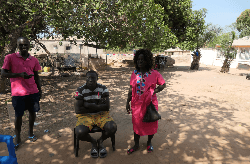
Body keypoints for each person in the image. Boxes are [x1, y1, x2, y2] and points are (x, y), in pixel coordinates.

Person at [1, 37, 42, 150]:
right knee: (19, 116)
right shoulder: (10, 57)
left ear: (29, 45)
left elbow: (37, 76)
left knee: (33, 113)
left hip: (33, 91)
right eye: (21, 45)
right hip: (18, 93)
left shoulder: (33, 59)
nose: (23, 47)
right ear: (17, 46)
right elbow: (3, 73)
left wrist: (40, 90)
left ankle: (30, 133)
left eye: (25, 44)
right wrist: (19, 75)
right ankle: (18, 137)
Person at [126, 49, 166, 154]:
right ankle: (136, 145)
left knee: (151, 124)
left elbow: (163, 85)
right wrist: (127, 102)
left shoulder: (155, 73)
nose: (140, 61)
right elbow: (131, 89)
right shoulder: (134, 73)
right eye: (138, 59)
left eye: (142, 59)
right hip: (136, 105)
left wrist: (154, 91)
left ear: (147, 61)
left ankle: (149, 143)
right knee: (137, 125)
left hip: (150, 104)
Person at [74, 70, 117, 158]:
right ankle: (93, 142)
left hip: (101, 115)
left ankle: (100, 141)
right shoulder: (80, 90)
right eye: (88, 78)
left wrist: (88, 104)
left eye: (93, 78)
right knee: (79, 132)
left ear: (97, 78)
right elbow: (78, 110)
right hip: (85, 116)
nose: (90, 80)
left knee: (112, 127)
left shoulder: (103, 88)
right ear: (85, 79)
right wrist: (98, 105)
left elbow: (107, 107)